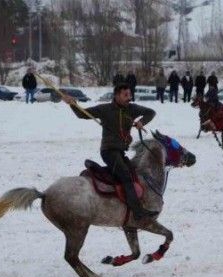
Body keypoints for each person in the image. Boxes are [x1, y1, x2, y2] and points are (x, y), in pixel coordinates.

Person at [62, 83, 158, 221]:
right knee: (125, 175)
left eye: (130, 95)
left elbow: (151, 112)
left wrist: (142, 121)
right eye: (125, 95)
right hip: (109, 151)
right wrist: (72, 103)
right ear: (116, 95)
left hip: (121, 151)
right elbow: (81, 114)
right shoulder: (105, 109)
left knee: (133, 172)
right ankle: (137, 212)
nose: (129, 98)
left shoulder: (132, 108)